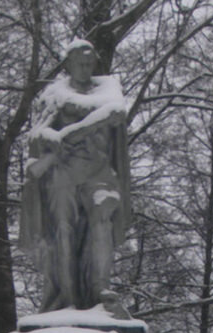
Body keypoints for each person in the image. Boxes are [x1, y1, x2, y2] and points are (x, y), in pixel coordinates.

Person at [19, 39, 131, 312]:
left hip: (100, 171)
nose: (84, 68)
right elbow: (36, 135)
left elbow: (116, 135)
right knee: (63, 229)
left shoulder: (109, 93)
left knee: (102, 217)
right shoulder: (55, 95)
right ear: (68, 64)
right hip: (64, 173)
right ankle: (66, 295)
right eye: (79, 63)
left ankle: (99, 287)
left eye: (88, 63)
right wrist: (52, 140)